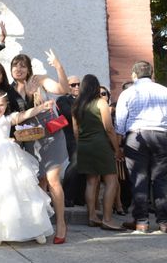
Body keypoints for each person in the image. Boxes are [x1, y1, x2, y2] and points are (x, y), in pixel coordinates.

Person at [0, 41, 55, 246]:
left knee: (22, 192)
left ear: (6, 105)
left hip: (10, 157)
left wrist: (43, 107)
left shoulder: (9, 117)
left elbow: (27, 113)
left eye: (1, 105)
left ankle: (36, 228)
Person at [9, 51, 71, 244]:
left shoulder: (40, 80)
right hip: (29, 139)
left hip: (51, 135)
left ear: (29, 69)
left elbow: (63, 88)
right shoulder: (9, 89)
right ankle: (42, 225)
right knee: (39, 183)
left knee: (52, 180)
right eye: (15, 65)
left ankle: (61, 223)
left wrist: (57, 65)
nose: (18, 69)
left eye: (22, 66)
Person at [115, 61, 167, 234]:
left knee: (139, 179)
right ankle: (164, 222)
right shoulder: (164, 90)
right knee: (161, 180)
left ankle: (141, 222)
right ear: (152, 75)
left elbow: (120, 121)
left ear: (134, 75)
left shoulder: (128, 92)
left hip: (136, 136)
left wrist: (120, 144)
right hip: (161, 135)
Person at [72, 75, 124, 231]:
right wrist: (117, 150)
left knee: (91, 182)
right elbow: (109, 128)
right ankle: (107, 219)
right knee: (112, 181)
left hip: (84, 146)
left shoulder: (76, 105)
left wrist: (81, 145)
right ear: (95, 88)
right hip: (100, 145)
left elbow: (75, 132)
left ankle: (92, 216)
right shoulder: (101, 102)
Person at [57, 75, 84, 207]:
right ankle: (67, 196)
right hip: (70, 136)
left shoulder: (85, 99)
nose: (77, 87)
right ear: (67, 86)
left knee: (84, 165)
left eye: (78, 84)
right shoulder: (63, 99)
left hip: (87, 136)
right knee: (75, 162)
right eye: (73, 85)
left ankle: (80, 198)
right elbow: (68, 113)